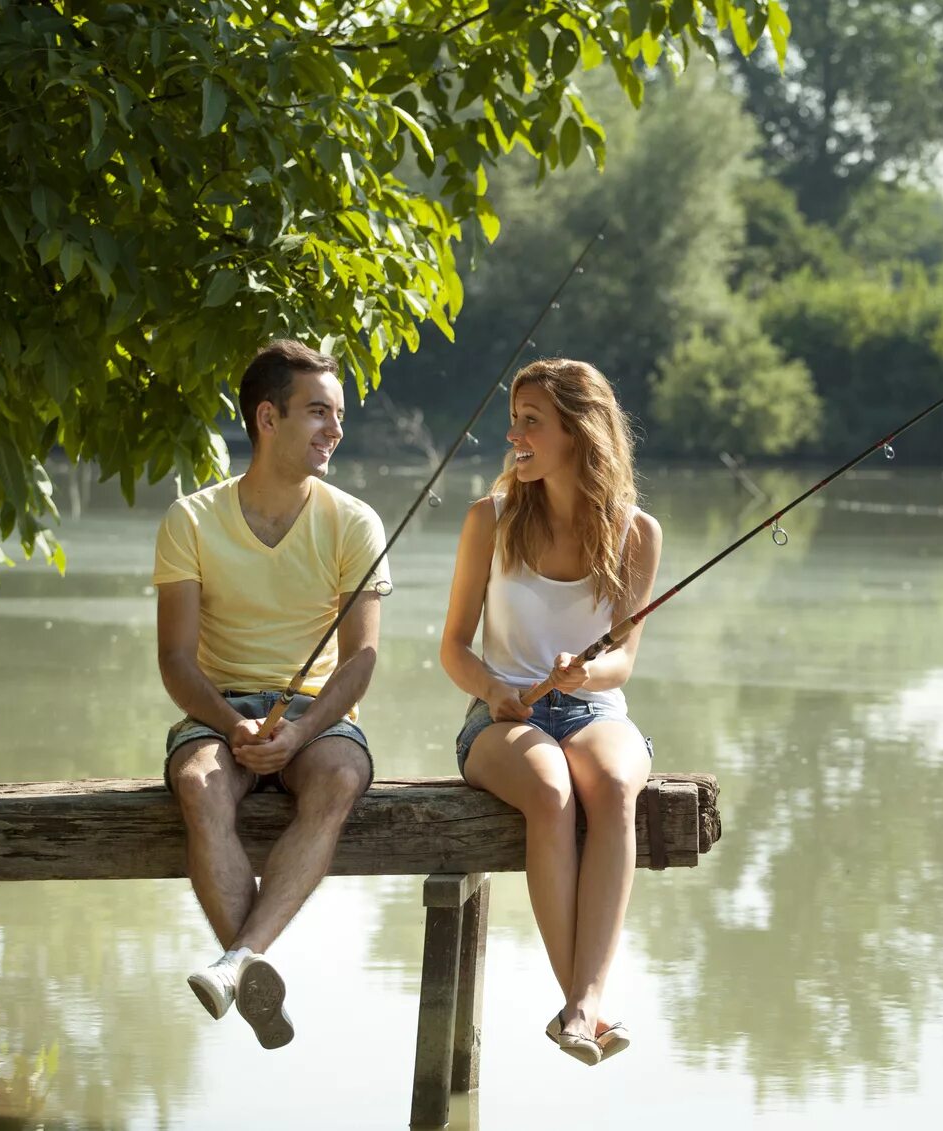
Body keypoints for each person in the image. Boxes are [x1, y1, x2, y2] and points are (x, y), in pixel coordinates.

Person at [154, 339, 389, 1049]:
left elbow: (361, 659)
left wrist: (303, 728)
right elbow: (173, 658)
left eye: (339, 414)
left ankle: (233, 964)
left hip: (317, 717)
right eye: (318, 412)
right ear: (266, 417)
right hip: (217, 706)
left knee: (342, 774)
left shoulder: (355, 522)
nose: (334, 430)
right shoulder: (190, 520)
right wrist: (230, 724)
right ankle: (248, 963)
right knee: (198, 783)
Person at [441, 358, 662, 1066]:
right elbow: (452, 648)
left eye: (531, 421)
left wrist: (583, 672)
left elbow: (622, 659)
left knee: (616, 783)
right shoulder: (490, 518)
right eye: (516, 419)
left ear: (578, 430)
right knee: (549, 787)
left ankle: (579, 1006)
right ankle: (585, 1005)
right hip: (502, 721)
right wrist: (491, 689)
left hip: (594, 708)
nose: (514, 435)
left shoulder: (635, 532)